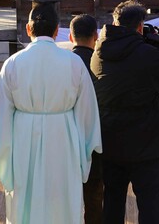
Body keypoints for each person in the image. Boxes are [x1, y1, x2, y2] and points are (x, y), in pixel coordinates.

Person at [0, 4, 102, 223]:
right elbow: (88, 116)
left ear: (28, 29)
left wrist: (6, 165)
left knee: (26, 202)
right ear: (58, 31)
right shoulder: (74, 62)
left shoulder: (12, 64)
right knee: (62, 203)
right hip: (64, 140)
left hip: (23, 141)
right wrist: (83, 158)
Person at [91, 0, 159, 224]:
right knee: (149, 202)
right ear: (140, 26)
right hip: (145, 138)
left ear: (115, 22)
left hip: (109, 137)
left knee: (112, 199)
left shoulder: (99, 52)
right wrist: (156, 43)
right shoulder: (146, 53)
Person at [69, 14, 103, 224]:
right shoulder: (101, 64)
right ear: (96, 36)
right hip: (95, 136)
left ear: (70, 37)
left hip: (65, 135)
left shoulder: (62, 63)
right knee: (94, 193)